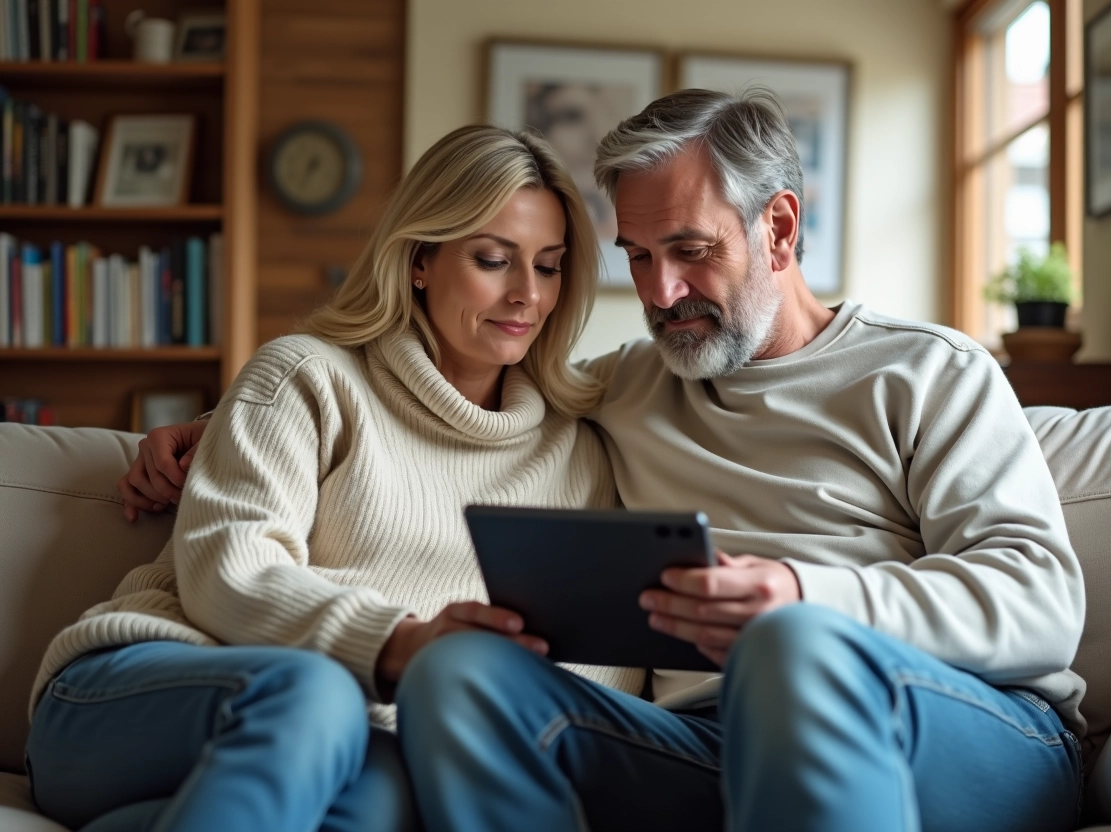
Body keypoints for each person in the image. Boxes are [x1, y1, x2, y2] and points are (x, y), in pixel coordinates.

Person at [119, 90, 1087, 832]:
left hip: (954, 726)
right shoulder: (628, 385)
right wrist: (215, 424)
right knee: (459, 671)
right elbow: (441, 384)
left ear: (781, 229)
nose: (663, 292)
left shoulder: (926, 370)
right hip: (706, 742)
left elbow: (1043, 599)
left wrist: (806, 593)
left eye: (692, 250)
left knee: (787, 647)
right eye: (637, 255)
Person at [25, 124, 646, 832]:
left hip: (353, 749)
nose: (526, 296)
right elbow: (228, 568)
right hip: (141, 699)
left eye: (549, 265)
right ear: (419, 259)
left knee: (379, 799)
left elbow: (599, 670)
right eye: (493, 259)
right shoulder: (305, 376)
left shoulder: (579, 452)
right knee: (314, 694)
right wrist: (400, 643)